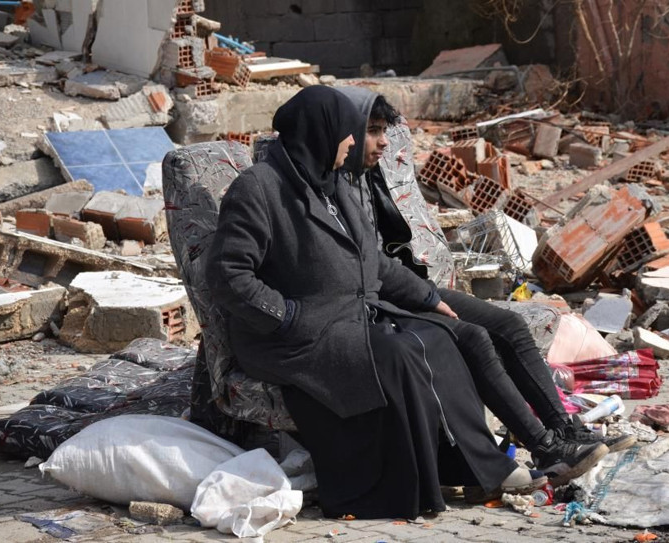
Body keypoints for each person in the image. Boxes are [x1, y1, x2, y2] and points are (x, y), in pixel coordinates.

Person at [205, 86, 545, 520]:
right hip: (287, 338)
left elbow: (375, 264)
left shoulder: (334, 187)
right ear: (321, 132)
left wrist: (428, 297)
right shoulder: (258, 189)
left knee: (440, 337)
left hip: (344, 320)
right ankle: (399, 486)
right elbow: (229, 276)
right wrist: (288, 318)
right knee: (396, 353)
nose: (351, 142)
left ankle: (468, 462)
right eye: (348, 133)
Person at [337, 87, 637, 487]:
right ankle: (545, 447)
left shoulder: (364, 177)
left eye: (384, 131)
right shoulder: (334, 184)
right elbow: (368, 265)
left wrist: (425, 289)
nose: (384, 142)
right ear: (347, 131)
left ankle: (566, 432)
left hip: (403, 283)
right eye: (373, 131)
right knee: (476, 336)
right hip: (383, 298)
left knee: (509, 326)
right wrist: (426, 297)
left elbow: (387, 254)